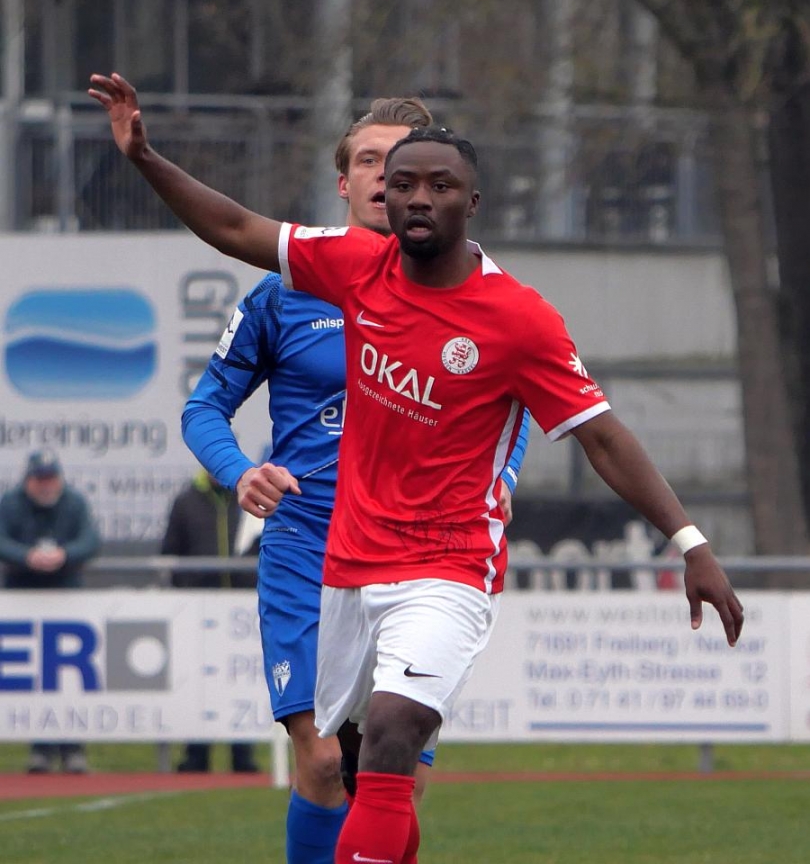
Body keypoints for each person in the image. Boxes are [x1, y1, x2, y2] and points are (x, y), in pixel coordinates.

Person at [90, 72, 744, 864]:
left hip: (445, 560)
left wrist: (688, 541)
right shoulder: (338, 272)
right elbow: (231, 230)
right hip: (331, 554)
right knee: (339, 763)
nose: (411, 194)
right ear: (360, 187)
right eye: (394, 177)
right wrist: (144, 156)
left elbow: (590, 434)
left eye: (436, 181)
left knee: (393, 742)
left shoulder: (516, 317)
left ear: (473, 200)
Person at [179, 95, 530, 862]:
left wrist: (499, 476)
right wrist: (241, 472)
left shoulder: (474, 290)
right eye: (370, 161)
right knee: (323, 760)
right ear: (345, 182)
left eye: (402, 164)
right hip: (309, 542)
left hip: (422, 550)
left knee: (393, 773)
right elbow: (204, 407)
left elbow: (518, 407)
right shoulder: (284, 292)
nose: (385, 177)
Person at [0, 449, 101, 774]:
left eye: (50, 478)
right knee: (34, 675)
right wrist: (26, 556)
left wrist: (64, 555)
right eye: (39, 479)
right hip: (24, 600)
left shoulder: (73, 502)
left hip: (66, 599)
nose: (45, 485)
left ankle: (73, 747)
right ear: (28, 480)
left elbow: (91, 540)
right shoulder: (11, 503)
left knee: (69, 677)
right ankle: (40, 747)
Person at [160, 469, 260, 774]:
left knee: (240, 678)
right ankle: (196, 755)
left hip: (242, 609)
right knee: (197, 681)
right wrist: (186, 590)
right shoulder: (186, 501)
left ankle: (243, 755)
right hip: (198, 608)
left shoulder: (250, 498)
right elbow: (170, 552)